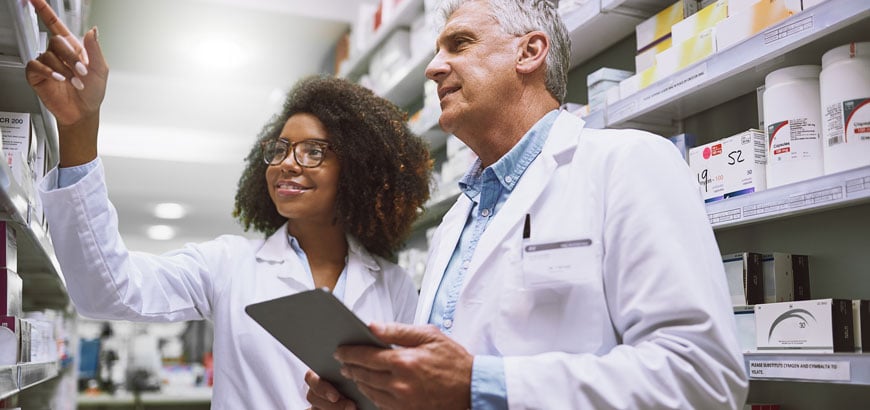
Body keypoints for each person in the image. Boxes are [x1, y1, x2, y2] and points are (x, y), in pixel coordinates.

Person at [305, 0, 749, 409]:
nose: (434, 68)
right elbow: (443, 385)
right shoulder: (457, 220)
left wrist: (479, 383)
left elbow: (703, 376)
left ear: (529, 52)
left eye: (459, 44)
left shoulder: (629, 163)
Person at [24, 1, 432, 408]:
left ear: (356, 169)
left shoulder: (393, 287)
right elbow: (106, 290)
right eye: (280, 149)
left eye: (313, 152)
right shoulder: (227, 265)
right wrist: (78, 127)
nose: (287, 164)